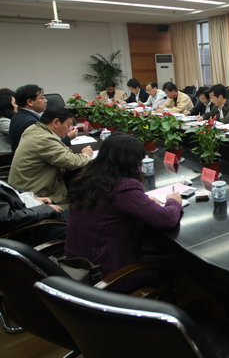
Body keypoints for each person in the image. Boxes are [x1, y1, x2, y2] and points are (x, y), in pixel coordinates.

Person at [65, 133, 183, 292]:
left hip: (79, 266)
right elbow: (167, 219)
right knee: (178, 263)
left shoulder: (87, 178)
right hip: (109, 274)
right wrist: (174, 201)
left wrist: (144, 203)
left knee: (154, 250)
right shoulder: (123, 187)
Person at [8, 107, 93, 206]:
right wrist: (86, 155)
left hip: (23, 191)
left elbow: (63, 153)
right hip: (35, 197)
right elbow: (71, 161)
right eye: (68, 125)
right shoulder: (43, 139)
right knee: (86, 204)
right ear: (56, 122)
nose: (70, 129)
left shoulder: (34, 129)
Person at [9, 84, 77, 151]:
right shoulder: (30, 123)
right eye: (42, 98)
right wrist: (68, 137)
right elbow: (48, 148)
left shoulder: (19, 115)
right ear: (30, 102)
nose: (46, 100)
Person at [0, 180, 66, 246]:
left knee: (70, 216)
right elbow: (7, 218)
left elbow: (15, 191)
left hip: (35, 215)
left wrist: (35, 198)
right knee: (71, 227)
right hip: (28, 229)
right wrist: (46, 209)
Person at [0, 88, 17, 153]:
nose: (16, 106)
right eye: (14, 103)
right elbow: (20, 133)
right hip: (6, 155)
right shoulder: (2, 122)